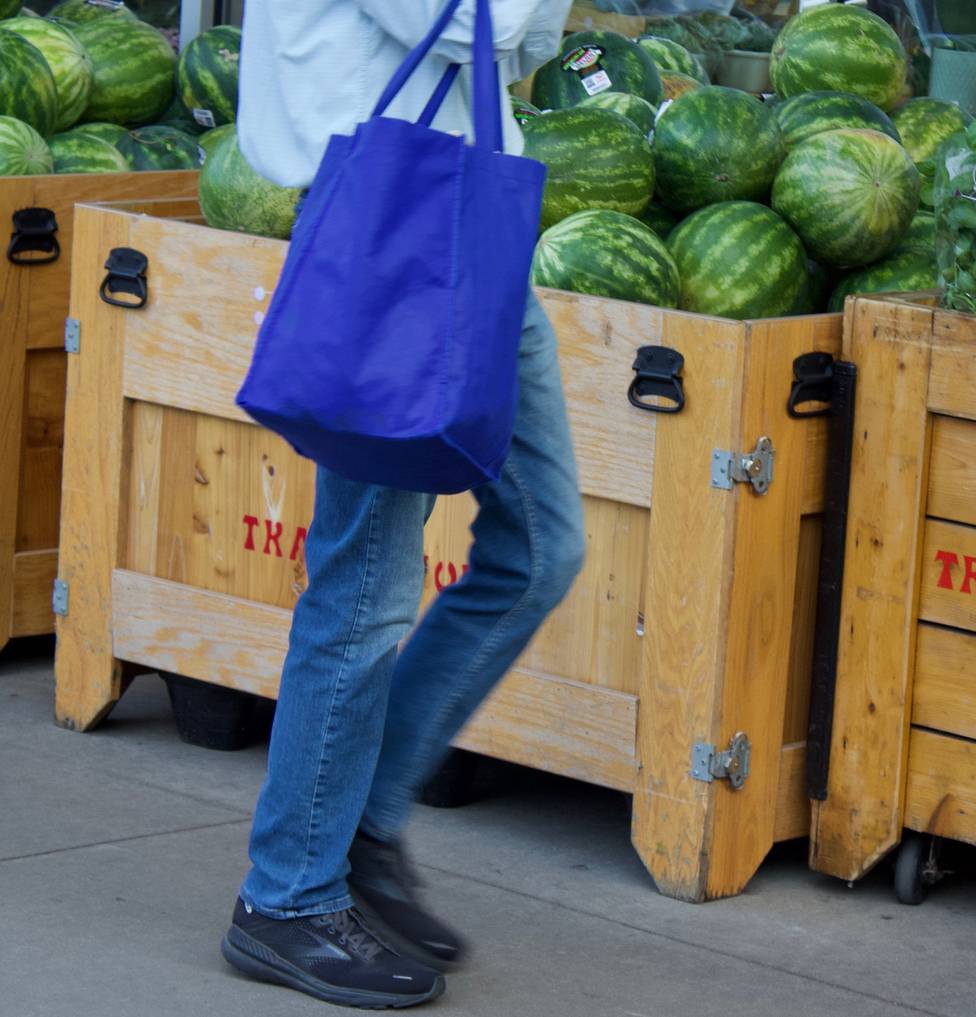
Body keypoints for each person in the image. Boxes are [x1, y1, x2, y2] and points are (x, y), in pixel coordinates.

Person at [220, 1, 581, 1009]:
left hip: (468, 225)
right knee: (365, 588)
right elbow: (484, 20)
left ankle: (362, 827)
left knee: (540, 546)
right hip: (392, 231)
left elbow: (527, 40)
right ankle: (287, 896)